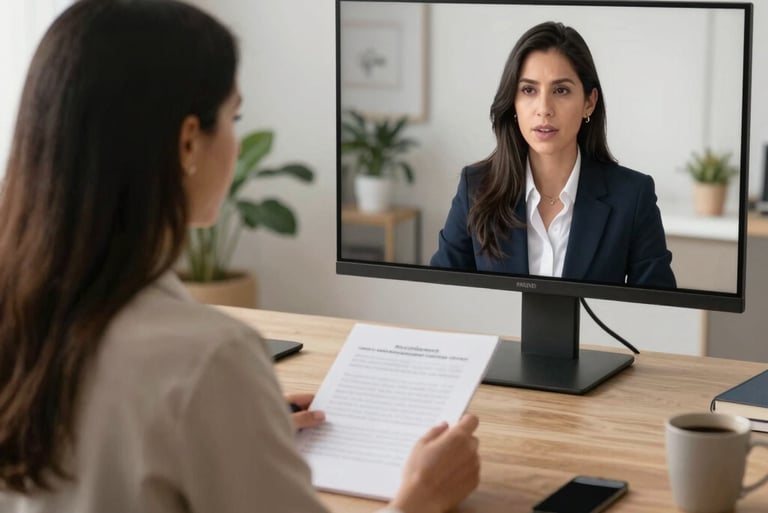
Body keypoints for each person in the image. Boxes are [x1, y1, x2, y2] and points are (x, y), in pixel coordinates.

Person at [0, 1, 480, 513]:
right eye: (235, 116)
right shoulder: (210, 359)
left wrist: (235, 424)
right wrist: (417, 499)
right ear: (188, 142)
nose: (236, 137)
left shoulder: (23, 317)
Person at [430, 21, 676, 289]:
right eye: (528, 90)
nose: (544, 108)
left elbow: (659, 313)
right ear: (513, 102)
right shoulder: (475, 188)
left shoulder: (632, 197)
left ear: (589, 103)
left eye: (561, 90)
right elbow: (442, 295)